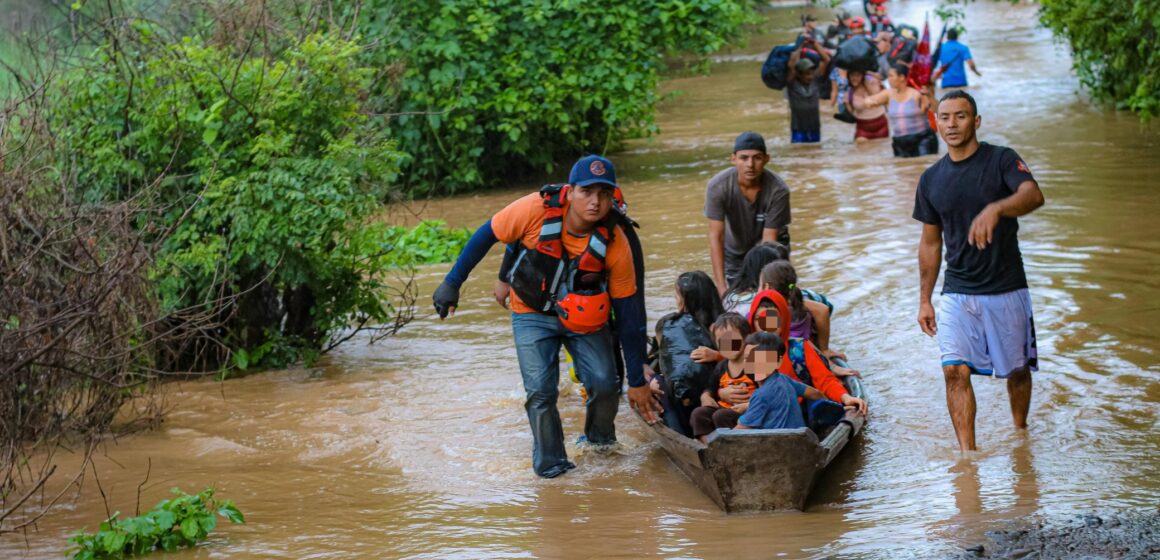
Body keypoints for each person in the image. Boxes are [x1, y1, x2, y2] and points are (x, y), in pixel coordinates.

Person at [431, 155, 658, 478]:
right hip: (532, 313)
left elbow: (630, 312)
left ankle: (599, 443)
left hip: (585, 320)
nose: (595, 202)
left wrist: (637, 379)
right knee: (541, 390)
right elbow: (487, 234)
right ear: (570, 191)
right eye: (587, 192)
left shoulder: (616, 241)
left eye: (604, 194)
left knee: (607, 384)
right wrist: (452, 283)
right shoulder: (534, 209)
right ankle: (551, 464)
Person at [913, 90, 1045, 452]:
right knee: (954, 370)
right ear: (936, 123)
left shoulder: (1002, 160)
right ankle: (967, 459)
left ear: (976, 121)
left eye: (960, 116)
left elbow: (1033, 195)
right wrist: (924, 300)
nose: (952, 124)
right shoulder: (931, 179)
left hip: (1006, 286)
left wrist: (997, 209)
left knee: (1017, 371)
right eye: (945, 117)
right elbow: (930, 243)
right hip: (957, 290)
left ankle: (1021, 434)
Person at [748, 291, 868, 415]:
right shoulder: (746, 351)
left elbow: (825, 380)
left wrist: (846, 398)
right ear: (752, 323)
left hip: (799, 413)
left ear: (783, 320)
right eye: (760, 320)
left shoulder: (799, 349)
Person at [704, 132, 792, 295]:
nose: (750, 165)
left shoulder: (778, 190)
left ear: (766, 159)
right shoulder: (718, 187)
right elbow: (716, 237)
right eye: (744, 158)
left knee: (771, 301)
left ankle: (774, 316)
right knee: (736, 306)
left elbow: (768, 244)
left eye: (757, 158)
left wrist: (763, 289)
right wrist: (722, 288)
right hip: (735, 255)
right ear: (733, 159)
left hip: (770, 253)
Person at [653, 271, 724, 435]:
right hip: (689, 395)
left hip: (716, 388)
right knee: (659, 385)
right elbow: (663, 362)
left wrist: (716, 355)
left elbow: (741, 355)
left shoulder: (721, 326)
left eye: (677, 296)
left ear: (688, 300)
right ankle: (681, 434)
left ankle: (685, 434)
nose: (676, 301)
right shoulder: (674, 328)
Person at [734, 332, 847, 433]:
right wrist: (834, 407)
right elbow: (815, 394)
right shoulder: (784, 379)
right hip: (801, 439)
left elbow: (740, 430)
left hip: (778, 447)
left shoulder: (760, 395)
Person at [688, 313, 755, 442]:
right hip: (724, 408)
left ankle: (730, 445)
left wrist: (748, 405)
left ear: (746, 338)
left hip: (747, 411)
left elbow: (767, 392)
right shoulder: (721, 366)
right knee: (698, 413)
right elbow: (711, 388)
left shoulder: (754, 365)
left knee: (721, 415)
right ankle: (707, 444)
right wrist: (705, 396)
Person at [860, 64, 939, 157]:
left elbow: (937, 109)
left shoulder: (916, 94)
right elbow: (868, 100)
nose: (888, 79)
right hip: (900, 142)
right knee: (902, 170)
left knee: (923, 166)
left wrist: (929, 96)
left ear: (901, 77)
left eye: (891, 76)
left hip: (923, 140)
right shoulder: (888, 94)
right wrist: (869, 102)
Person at [786, 40, 831, 144]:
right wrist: (800, 46)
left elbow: (826, 60)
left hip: (815, 126)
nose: (810, 76)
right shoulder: (792, 84)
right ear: (799, 74)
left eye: (811, 73)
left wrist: (815, 43)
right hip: (799, 128)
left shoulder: (815, 81)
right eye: (806, 74)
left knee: (815, 150)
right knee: (799, 152)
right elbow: (791, 65)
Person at [847, 70, 889, 141]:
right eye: (852, 75)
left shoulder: (872, 82)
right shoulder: (848, 93)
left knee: (881, 148)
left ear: (862, 76)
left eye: (858, 75)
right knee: (860, 149)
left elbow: (881, 78)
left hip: (881, 125)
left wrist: (867, 73)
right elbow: (851, 113)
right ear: (848, 77)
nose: (854, 78)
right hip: (863, 128)